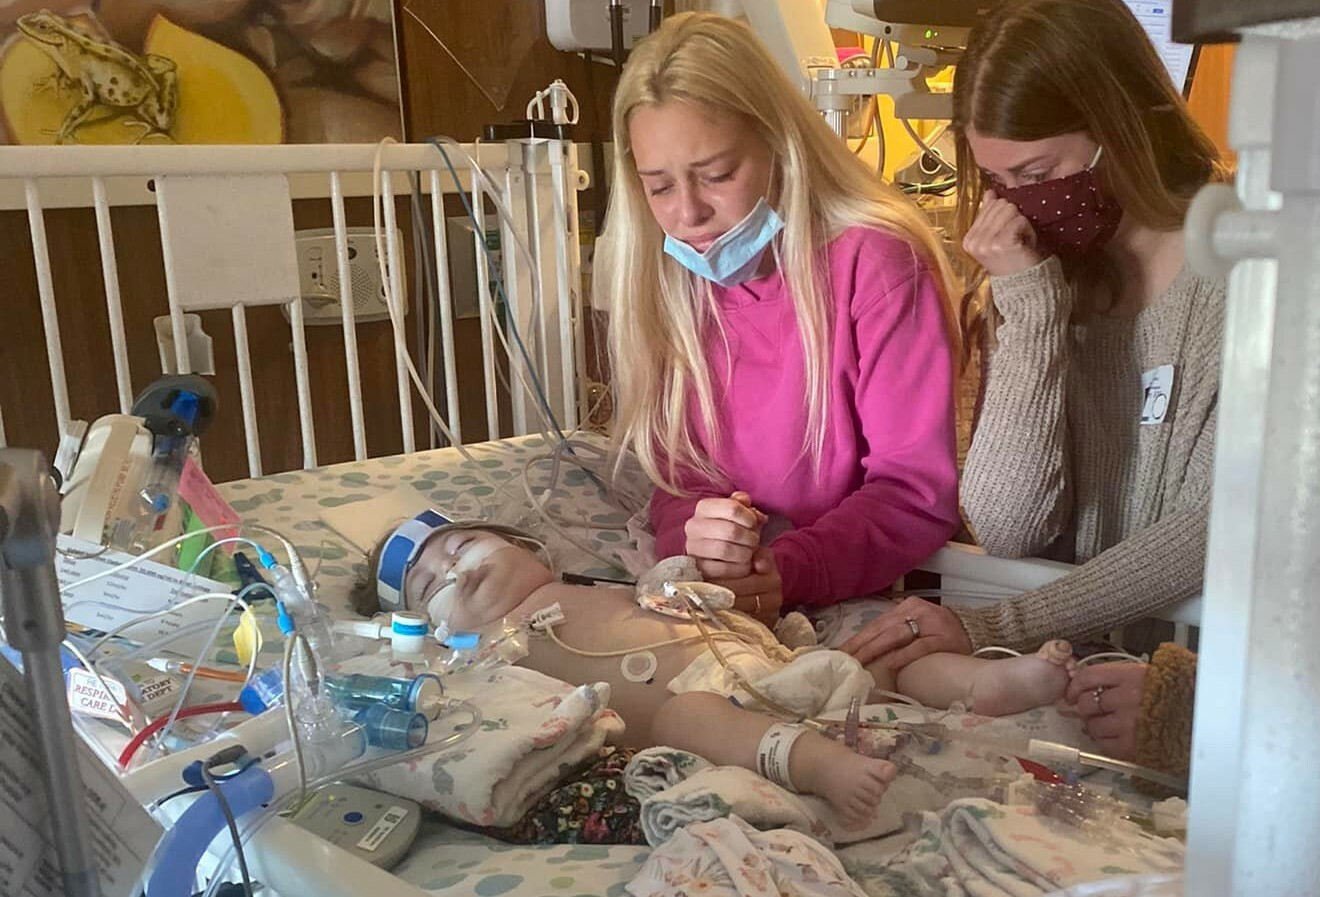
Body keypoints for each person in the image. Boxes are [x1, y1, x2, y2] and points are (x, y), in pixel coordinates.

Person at [842, 0, 1220, 771]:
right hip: (1073, 681)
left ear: (1123, 125)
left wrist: (1002, 623)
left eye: (1039, 175)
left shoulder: (1237, 262)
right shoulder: (1047, 277)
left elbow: (1214, 528)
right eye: (998, 181)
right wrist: (1031, 306)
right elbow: (1009, 525)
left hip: (1201, 681)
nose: (1019, 201)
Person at [352, 514, 1078, 827]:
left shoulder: (590, 584)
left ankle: (991, 684)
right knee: (689, 719)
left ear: (525, 546)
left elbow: (671, 591)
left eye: (463, 546)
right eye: (430, 584)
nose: (454, 568)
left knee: (880, 663)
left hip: (768, 662)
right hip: (687, 708)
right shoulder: (483, 656)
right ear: (428, 630)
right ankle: (819, 765)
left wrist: (677, 584)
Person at [602, 12, 962, 622]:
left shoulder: (876, 264)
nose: (688, 214)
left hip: (857, 580)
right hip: (734, 582)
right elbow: (679, 480)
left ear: (779, 147)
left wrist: (787, 570)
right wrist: (698, 537)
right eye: (659, 187)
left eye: (717, 175)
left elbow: (914, 493)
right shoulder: (667, 279)